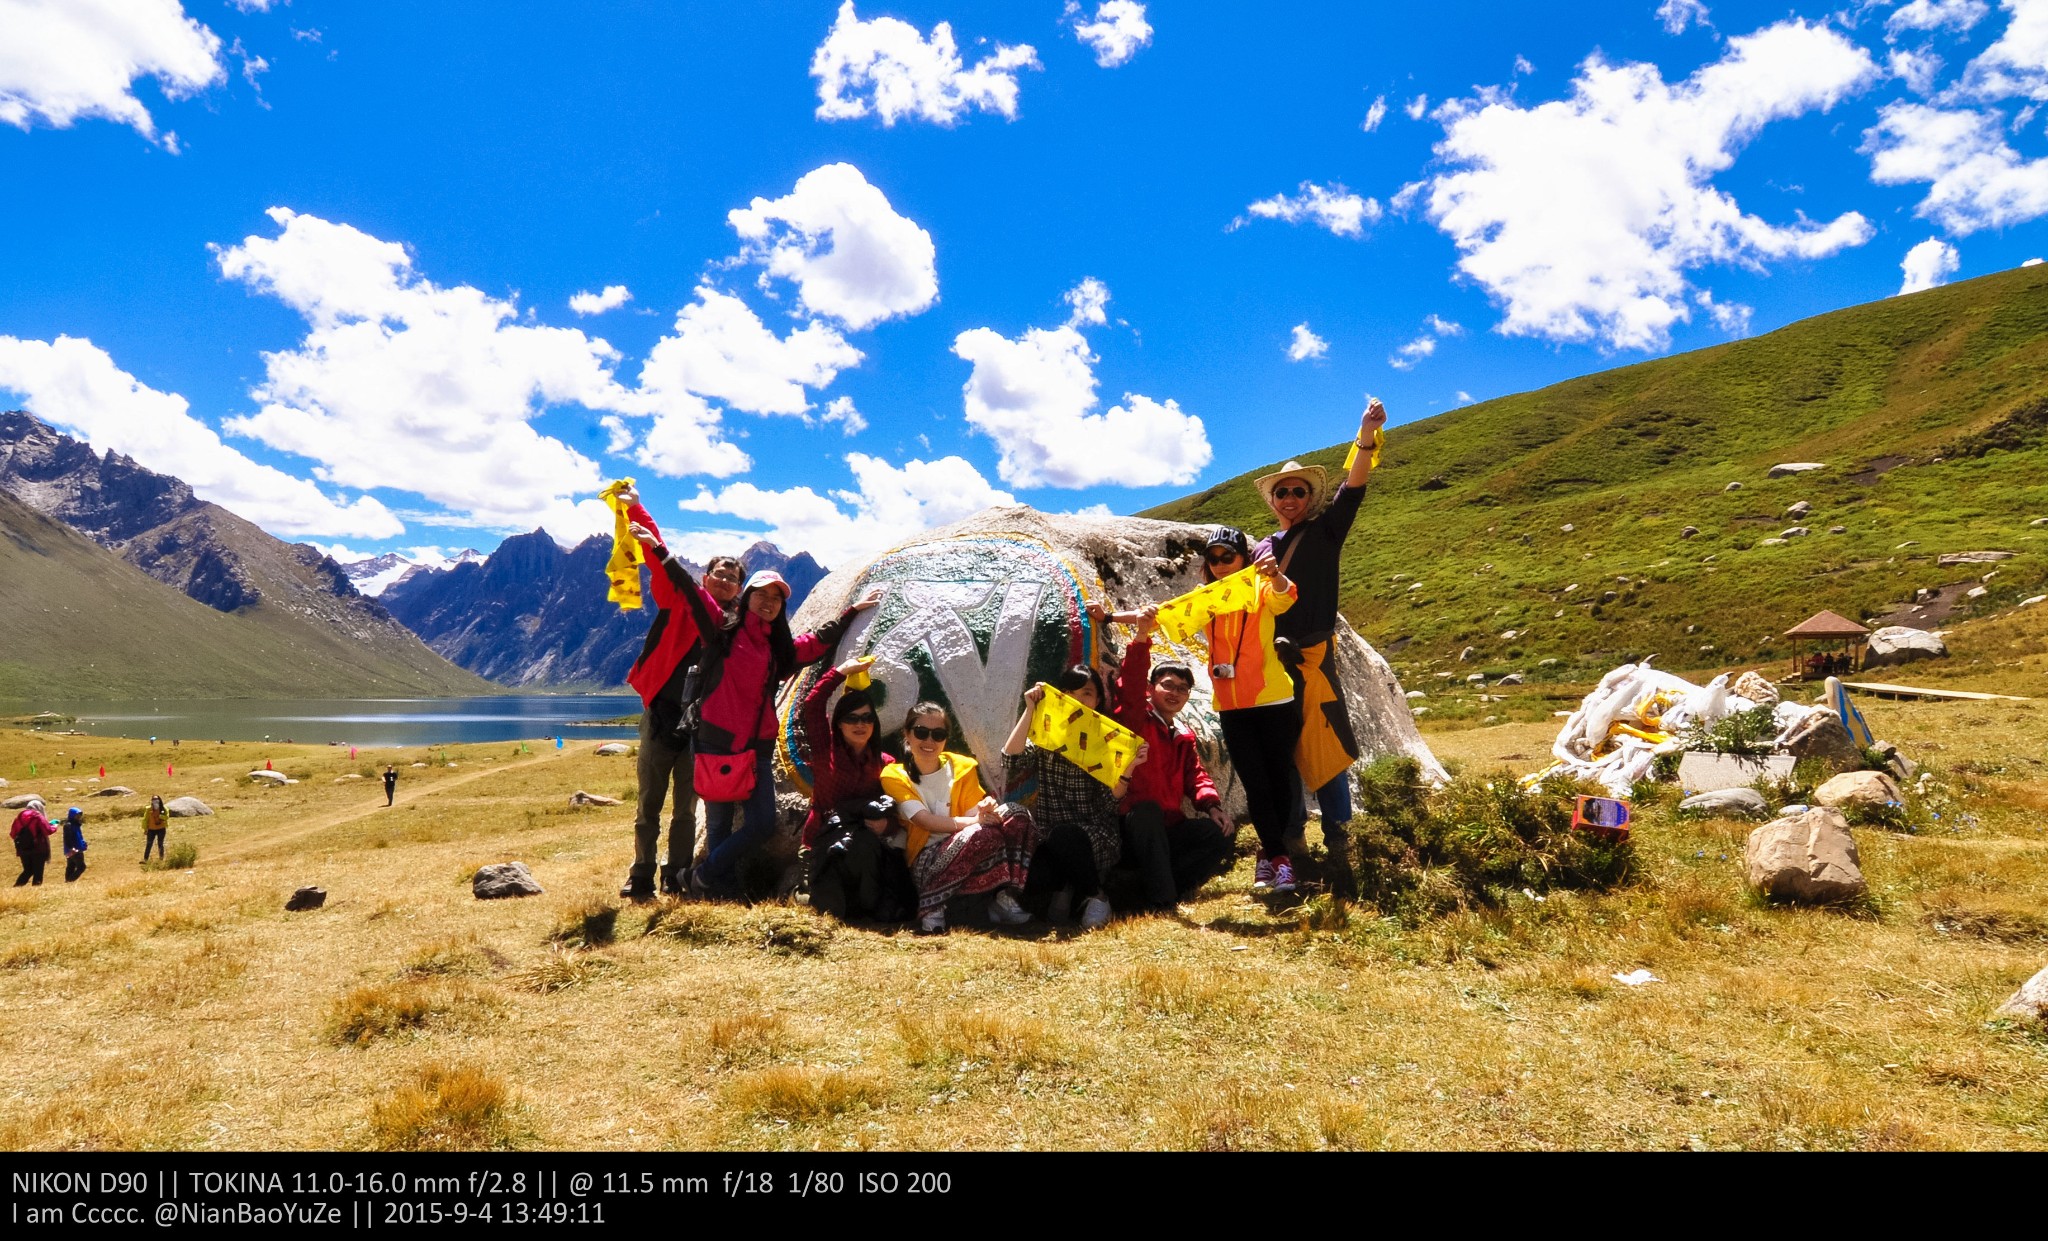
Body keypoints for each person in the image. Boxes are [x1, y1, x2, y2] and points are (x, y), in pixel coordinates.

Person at [635, 521, 878, 899]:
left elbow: (812, 644)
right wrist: (662, 554)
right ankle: (719, 890)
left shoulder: (777, 647)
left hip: (758, 747)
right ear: (746, 596)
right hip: (717, 741)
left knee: (761, 822)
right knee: (717, 824)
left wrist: (849, 615)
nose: (768, 602)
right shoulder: (721, 629)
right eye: (761, 594)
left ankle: (699, 877)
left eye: (777, 598)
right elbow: (689, 592)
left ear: (782, 606)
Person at [1252, 398, 1388, 858]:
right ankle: (1291, 837)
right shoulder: (1262, 548)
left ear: (1309, 497)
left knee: (1325, 742)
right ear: (1273, 500)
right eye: (1282, 493)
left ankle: (1339, 835)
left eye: (1298, 492)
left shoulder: (1326, 531)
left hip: (1312, 653)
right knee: (1282, 749)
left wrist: (1365, 435)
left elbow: (1353, 490)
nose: (1290, 499)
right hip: (1272, 659)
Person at [617, 484, 747, 900]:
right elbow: (660, 557)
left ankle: (675, 874)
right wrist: (637, 509)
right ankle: (640, 873)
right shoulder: (680, 597)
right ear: (705, 579)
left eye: (733, 578)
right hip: (660, 715)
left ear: (739, 590)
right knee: (648, 805)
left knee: (687, 811)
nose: (725, 581)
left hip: (699, 729)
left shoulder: (735, 628)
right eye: (720, 574)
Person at [1001, 666, 1146, 930]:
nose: (1078, 700)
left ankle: (1098, 897)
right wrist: (1030, 709)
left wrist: (1127, 770)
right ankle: (1065, 889)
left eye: (1087, 693)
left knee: (1066, 835)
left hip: (1096, 837)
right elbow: (1010, 759)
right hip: (1050, 836)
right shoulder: (1048, 735)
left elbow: (1108, 802)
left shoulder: (1107, 740)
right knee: (1038, 871)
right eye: (1070, 693)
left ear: (1098, 700)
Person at [1199, 526, 1302, 893]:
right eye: (1213, 559)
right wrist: (1111, 619)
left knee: (1278, 782)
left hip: (1274, 700)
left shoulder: (1261, 585)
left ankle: (1267, 854)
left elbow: (1286, 596)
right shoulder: (1205, 597)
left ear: (1243, 556)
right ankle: (1280, 860)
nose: (1221, 565)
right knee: (1257, 784)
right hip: (1231, 706)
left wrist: (1273, 573)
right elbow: (1164, 616)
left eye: (1228, 556)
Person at [1111, 614, 1237, 908]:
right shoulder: (1136, 720)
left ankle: (1153, 891)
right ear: (1151, 687)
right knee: (1147, 812)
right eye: (1168, 685)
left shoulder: (1182, 735)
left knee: (1218, 833)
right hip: (1132, 829)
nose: (1175, 693)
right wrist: (1141, 637)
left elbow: (1196, 776)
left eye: (1182, 689)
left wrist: (1212, 806)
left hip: (1169, 829)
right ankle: (1163, 901)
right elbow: (1128, 686)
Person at [880, 701, 1037, 934]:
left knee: (1016, 814)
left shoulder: (961, 767)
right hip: (927, 862)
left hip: (969, 849)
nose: (929, 741)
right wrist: (976, 822)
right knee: (981, 833)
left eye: (938, 734)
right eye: (921, 733)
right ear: (907, 734)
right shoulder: (895, 775)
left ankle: (1005, 897)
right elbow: (923, 820)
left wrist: (986, 810)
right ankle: (931, 905)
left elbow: (977, 814)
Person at [796, 655, 894, 855]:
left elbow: (899, 808)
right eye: (852, 718)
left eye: (867, 718)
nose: (860, 725)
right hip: (819, 845)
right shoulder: (825, 748)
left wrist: (888, 825)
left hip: (861, 850)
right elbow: (813, 703)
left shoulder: (886, 763)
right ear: (839, 723)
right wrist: (842, 671)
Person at [11, 797, 55, 887]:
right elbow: (48, 830)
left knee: (28, 870)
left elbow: (12, 834)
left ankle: (16, 887)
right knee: (38, 872)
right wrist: (54, 825)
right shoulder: (37, 816)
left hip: (23, 849)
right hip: (38, 848)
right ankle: (36, 890)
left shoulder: (19, 817)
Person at [60, 807, 88, 882]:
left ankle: (67, 881)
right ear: (72, 815)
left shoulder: (76, 824)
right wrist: (71, 848)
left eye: (79, 815)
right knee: (81, 867)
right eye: (77, 815)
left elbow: (78, 836)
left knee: (71, 866)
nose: (79, 817)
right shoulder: (68, 825)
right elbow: (67, 838)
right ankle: (69, 880)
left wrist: (83, 843)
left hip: (76, 848)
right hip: (74, 849)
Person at [142, 795, 168, 862]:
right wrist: (145, 829)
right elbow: (145, 819)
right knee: (149, 844)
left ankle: (161, 859)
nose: (155, 801)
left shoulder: (163, 808)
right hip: (151, 829)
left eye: (156, 799)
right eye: (153, 799)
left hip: (161, 829)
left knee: (160, 844)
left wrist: (158, 815)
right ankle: (145, 859)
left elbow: (166, 817)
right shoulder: (148, 809)